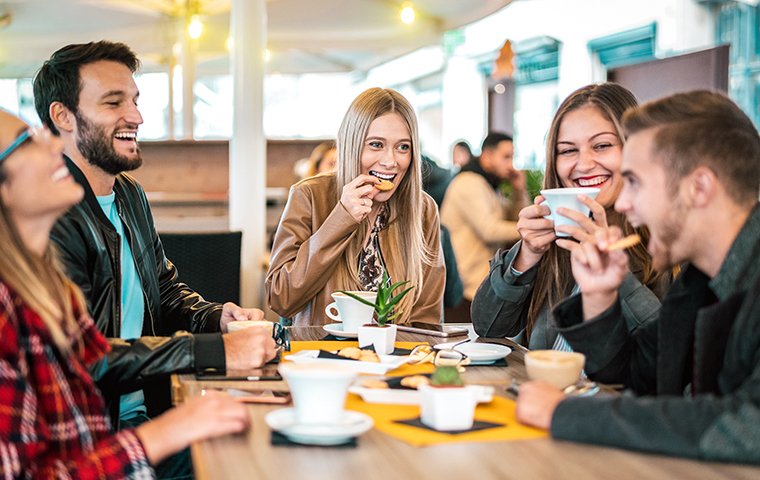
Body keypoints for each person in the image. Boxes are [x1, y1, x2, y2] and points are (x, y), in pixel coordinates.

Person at [33, 40, 276, 472]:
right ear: (63, 116)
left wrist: (217, 317)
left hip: (146, 414)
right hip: (91, 439)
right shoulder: (48, 216)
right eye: (114, 102)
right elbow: (85, 359)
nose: (137, 117)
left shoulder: (129, 194)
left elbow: (162, 290)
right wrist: (217, 351)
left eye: (135, 100)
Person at [0, 108, 251, 478]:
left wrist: (216, 321)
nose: (54, 143)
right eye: (30, 140)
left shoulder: (48, 286)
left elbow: (98, 353)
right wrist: (162, 433)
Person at [516, 91, 760, 464]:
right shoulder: (698, 282)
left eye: (635, 182)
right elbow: (634, 376)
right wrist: (600, 298)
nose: (624, 204)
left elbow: (747, 424)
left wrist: (565, 413)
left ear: (699, 187)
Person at [471, 83, 668, 349]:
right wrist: (526, 255)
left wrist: (615, 275)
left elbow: (668, 353)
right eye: (567, 150)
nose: (584, 164)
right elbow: (488, 327)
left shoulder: (666, 243)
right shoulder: (554, 242)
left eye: (602, 145)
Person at [267, 87, 445, 325]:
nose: (390, 162)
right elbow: (281, 298)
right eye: (376, 145)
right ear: (352, 145)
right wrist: (341, 219)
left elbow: (427, 318)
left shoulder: (422, 209)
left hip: (396, 358)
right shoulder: (309, 194)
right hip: (321, 355)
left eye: (403, 147)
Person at [440, 132, 529, 315]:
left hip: (479, 287)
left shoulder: (488, 186)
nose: (511, 165)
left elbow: (515, 218)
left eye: (512, 157)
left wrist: (519, 191)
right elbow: (490, 230)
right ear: (487, 156)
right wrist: (532, 229)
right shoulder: (469, 183)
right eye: (506, 157)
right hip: (464, 291)